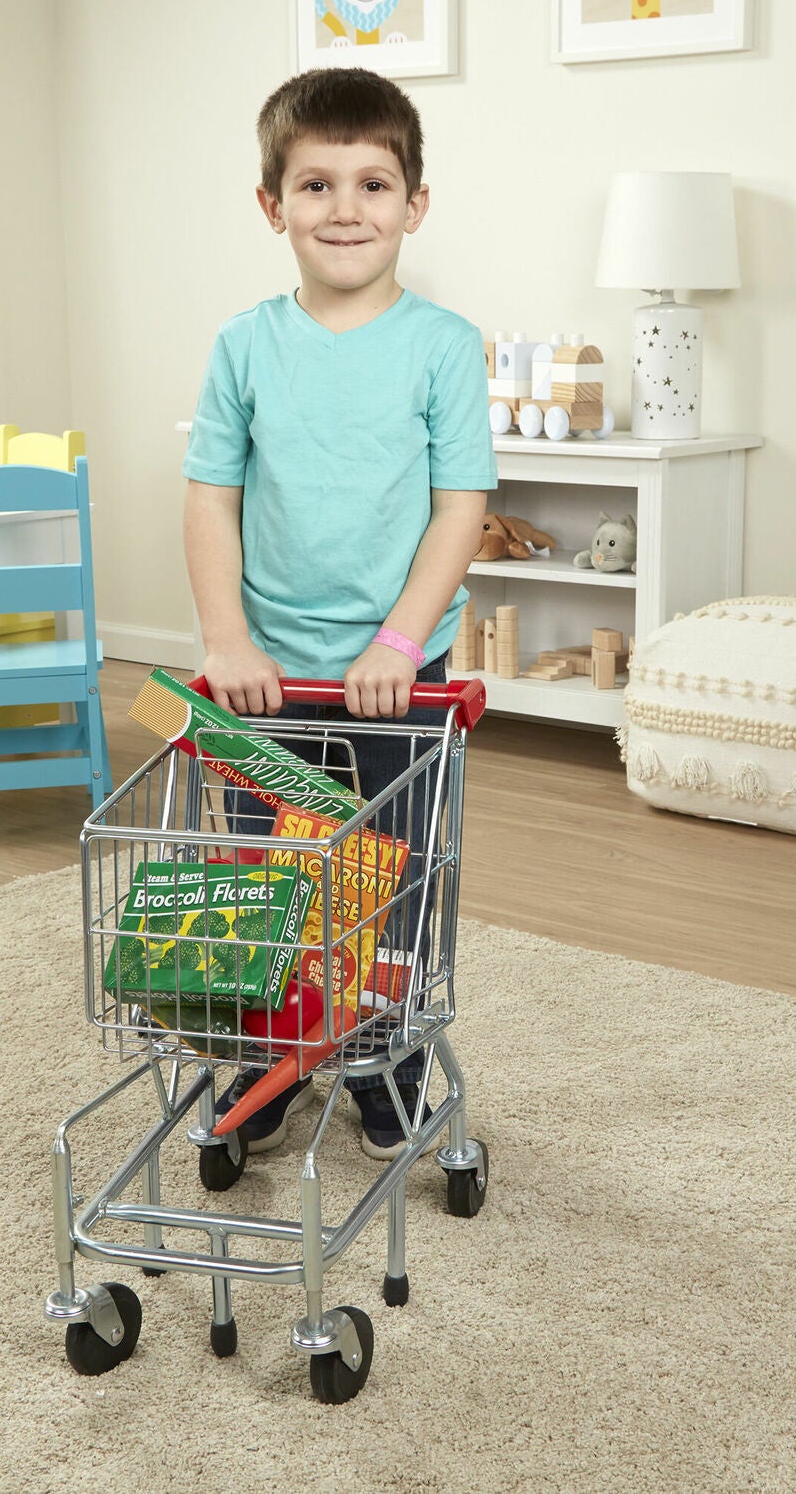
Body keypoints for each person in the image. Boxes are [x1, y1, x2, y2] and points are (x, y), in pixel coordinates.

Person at [181, 66, 496, 1160]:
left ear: (416, 203)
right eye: (315, 185)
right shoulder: (244, 346)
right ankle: (265, 1051)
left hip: (400, 680)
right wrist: (228, 639)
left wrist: (399, 642)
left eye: (373, 183)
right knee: (266, 884)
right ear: (273, 206)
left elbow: (462, 509)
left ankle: (381, 1048)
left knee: (393, 877)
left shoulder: (444, 347)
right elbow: (211, 501)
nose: (346, 208)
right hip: (267, 676)